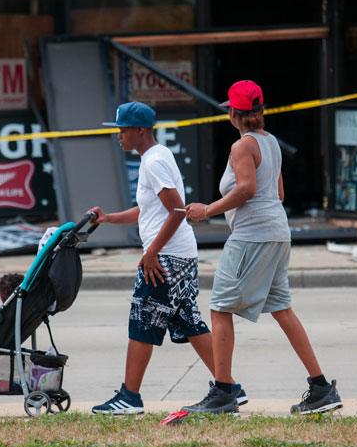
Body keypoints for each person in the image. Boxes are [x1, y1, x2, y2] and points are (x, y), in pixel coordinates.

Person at [182, 80, 342, 415]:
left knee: (220, 307)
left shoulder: (243, 147)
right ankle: (321, 387)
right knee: (282, 308)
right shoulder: (271, 144)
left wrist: (207, 211)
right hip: (276, 233)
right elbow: (278, 194)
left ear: (233, 114)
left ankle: (223, 392)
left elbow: (247, 189)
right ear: (260, 111)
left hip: (252, 236)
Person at [88, 101, 246, 415]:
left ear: (139, 130)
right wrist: (108, 219)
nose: (119, 136)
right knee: (188, 322)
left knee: (142, 320)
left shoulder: (153, 162)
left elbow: (176, 211)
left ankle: (129, 397)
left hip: (167, 257)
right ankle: (229, 388)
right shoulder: (157, 157)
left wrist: (151, 252)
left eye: (122, 130)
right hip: (179, 254)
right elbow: (150, 210)